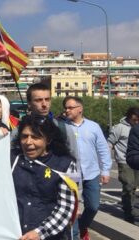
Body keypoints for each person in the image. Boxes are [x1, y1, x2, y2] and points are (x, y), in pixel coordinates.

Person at [11, 115, 78, 240]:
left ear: (48, 140)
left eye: (35, 137)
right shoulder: (11, 159)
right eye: (24, 136)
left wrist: (39, 233)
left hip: (51, 236)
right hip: (16, 234)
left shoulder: (67, 164)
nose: (28, 142)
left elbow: (66, 208)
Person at [62, 96, 112, 239]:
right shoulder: (62, 126)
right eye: (66, 108)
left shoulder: (93, 127)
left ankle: (83, 225)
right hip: (71, 174)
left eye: (70, 107)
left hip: (91, 173)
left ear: (80, 109)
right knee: (73, 208)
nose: (67, 110)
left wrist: (106, 170)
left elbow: (103, 149)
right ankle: (76, 235)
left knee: (93, 206)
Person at [108, 106, 139, 223]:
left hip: (137, 161)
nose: (136, 122)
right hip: (124, 161)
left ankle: (131, 207)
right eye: (134, 120)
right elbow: (110, 143)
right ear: (129, 117)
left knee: (134, 186)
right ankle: (128, 211)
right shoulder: (119, 128)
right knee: (128, 185)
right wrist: (106, 161)